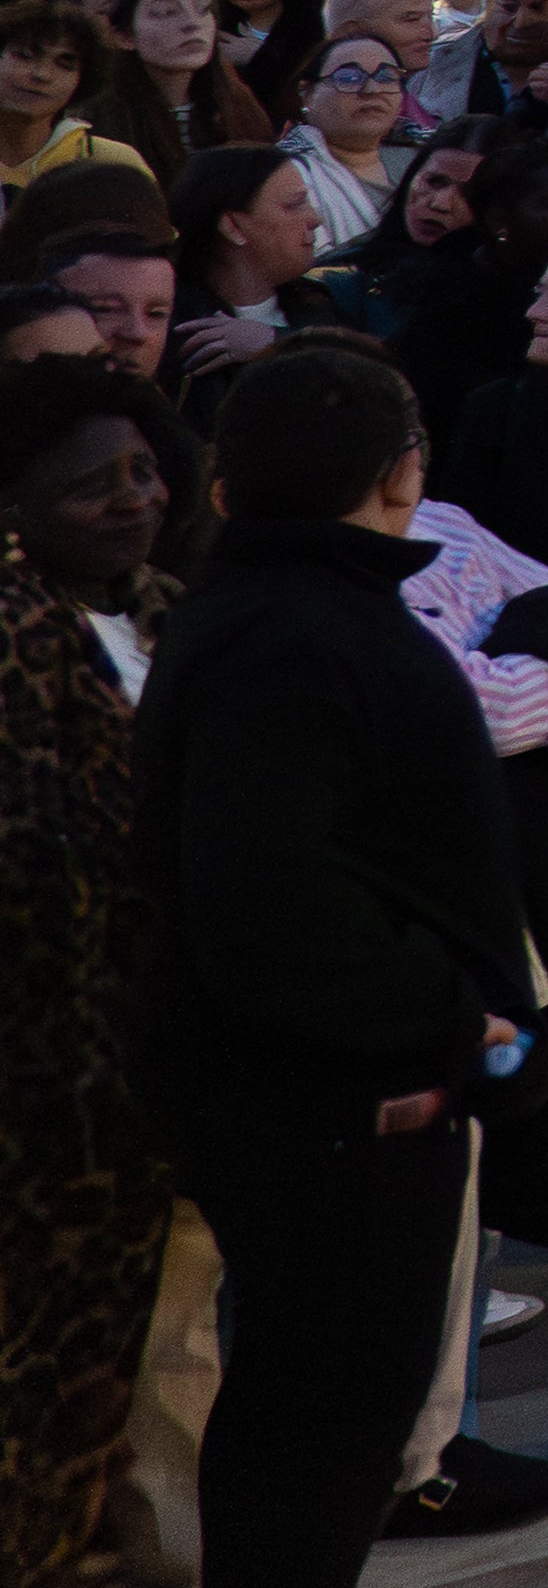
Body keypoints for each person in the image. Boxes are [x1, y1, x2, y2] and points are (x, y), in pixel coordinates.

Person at [133, 339, 548, 1579]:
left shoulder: (269, 613)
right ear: (402, 474)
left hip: (337, 1092)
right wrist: (458, 1022)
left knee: (313, 1408)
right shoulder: (296, 634)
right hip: (343, 1104)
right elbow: (274, 906)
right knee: (319, 1420)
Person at [0, 353, 187, 1577]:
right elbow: (35, 882)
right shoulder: (16, 638)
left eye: (144, 470)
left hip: (149, 1083)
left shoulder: (164, 605)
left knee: (107, 1380)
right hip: (50, 1105)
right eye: (91, 489)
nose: (131, 499)